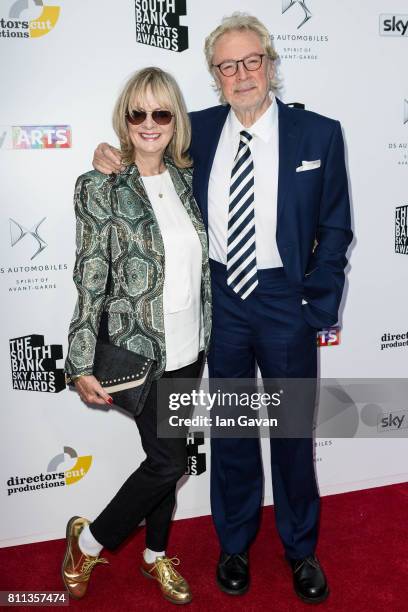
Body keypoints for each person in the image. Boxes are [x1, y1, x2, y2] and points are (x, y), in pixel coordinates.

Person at [93, 13, 353, 604]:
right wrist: (108, 155)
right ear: (214, 76)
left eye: (251, 61)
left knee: (290, 434)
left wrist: (317, 304)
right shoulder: (198, 132)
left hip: (287, 302)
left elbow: (335, 228)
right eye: (227, 66)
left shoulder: (319, 134)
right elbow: (146, 151)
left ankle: (300, 550)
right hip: (224, 302)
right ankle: (233, 543)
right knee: (233, 436)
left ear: (270, 62)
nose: (241, 75)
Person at [62, 66, 212, 605]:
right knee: (169, 462)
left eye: (161, 112)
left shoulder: (188, 179)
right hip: (141, 352)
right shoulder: (100, 186)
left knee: (162, 456)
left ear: (175, 120)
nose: (150, 123)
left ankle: (154, 556)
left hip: (191, 347)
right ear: (125, 118)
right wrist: (79, 360)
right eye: (138, 112)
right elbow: (90, 279)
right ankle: (89, 540)